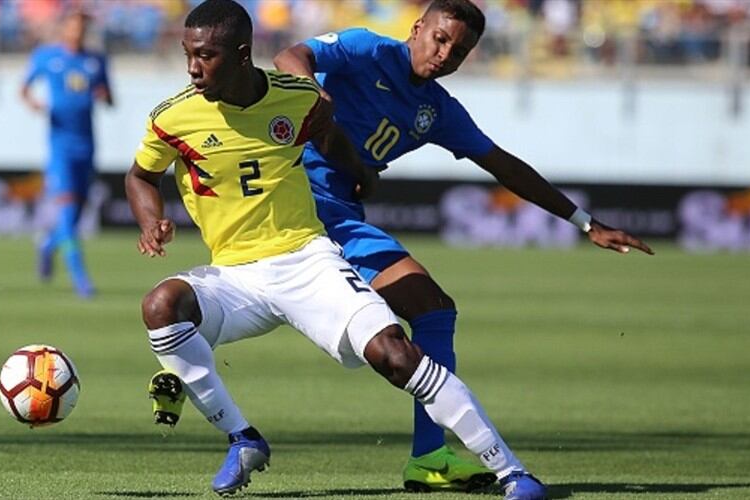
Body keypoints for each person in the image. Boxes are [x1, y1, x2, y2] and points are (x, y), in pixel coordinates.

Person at [126, 1, 551, 498]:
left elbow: (330, 136)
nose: (193, 67)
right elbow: (140, 176)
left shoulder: (298, 100)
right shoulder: (172, 117)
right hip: (235, 277)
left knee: (395, 354)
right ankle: (242, 438)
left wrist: (362, 173)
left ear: (241, 55)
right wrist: (150, 218)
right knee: (161, 306)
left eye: (206, 56)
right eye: (189, 54)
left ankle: (511, 471)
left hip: (307, 260)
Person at [273, 0, 653, 495]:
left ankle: (430, 457)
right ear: (418, 28)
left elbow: (503, 165)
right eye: (441, 39)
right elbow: (289, 56)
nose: (447, 54)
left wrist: (584, 222)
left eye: (461, 50)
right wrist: (315, 96)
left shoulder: (438, 111)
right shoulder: (367, 49)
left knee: (433, 310)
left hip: (342, 216)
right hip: (289, 198)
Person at [21, 10, 113, 298]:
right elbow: (24, 88)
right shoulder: (47, 56)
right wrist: (34, 103)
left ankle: (48, 244)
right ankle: (82, 281)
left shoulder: (96, 60)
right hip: (60, 147)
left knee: (74, 216)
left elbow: (110, 98)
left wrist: (103, 95)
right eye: (74, 26)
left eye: (82, 27)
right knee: (69, 211)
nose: (78, 32)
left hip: (87, 146)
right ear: (64, 29)